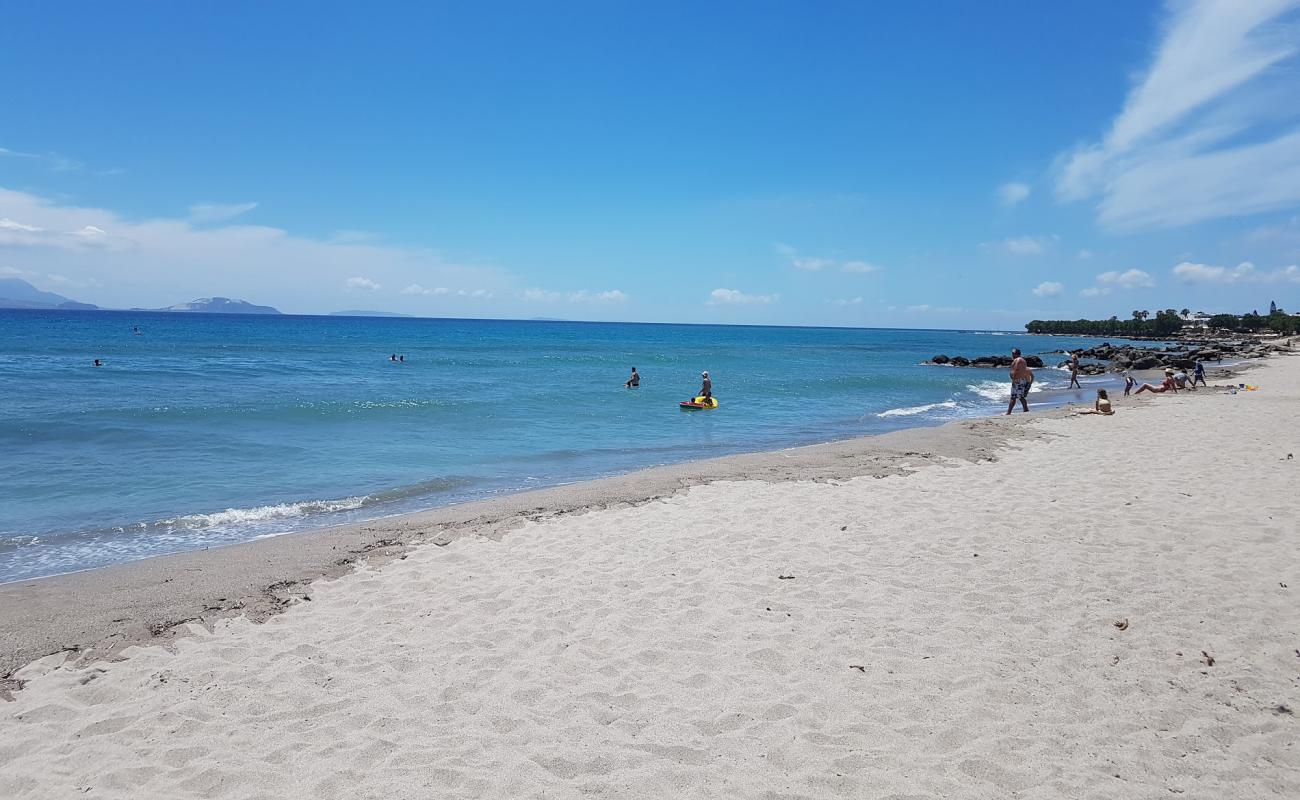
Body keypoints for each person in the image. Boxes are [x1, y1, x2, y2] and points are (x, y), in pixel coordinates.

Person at [1005, 348, 1033, 414]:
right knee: (1019, 397)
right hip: (1020, 380)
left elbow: (1016, 369)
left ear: (1016, 354)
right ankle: (1025, 409)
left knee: (1014, 397)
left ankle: (1009, 412)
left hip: (1017, 381)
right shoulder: (1022, 360)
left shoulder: (1018, 360)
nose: (1012, 355)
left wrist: (1014, 380)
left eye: (1013, 353)